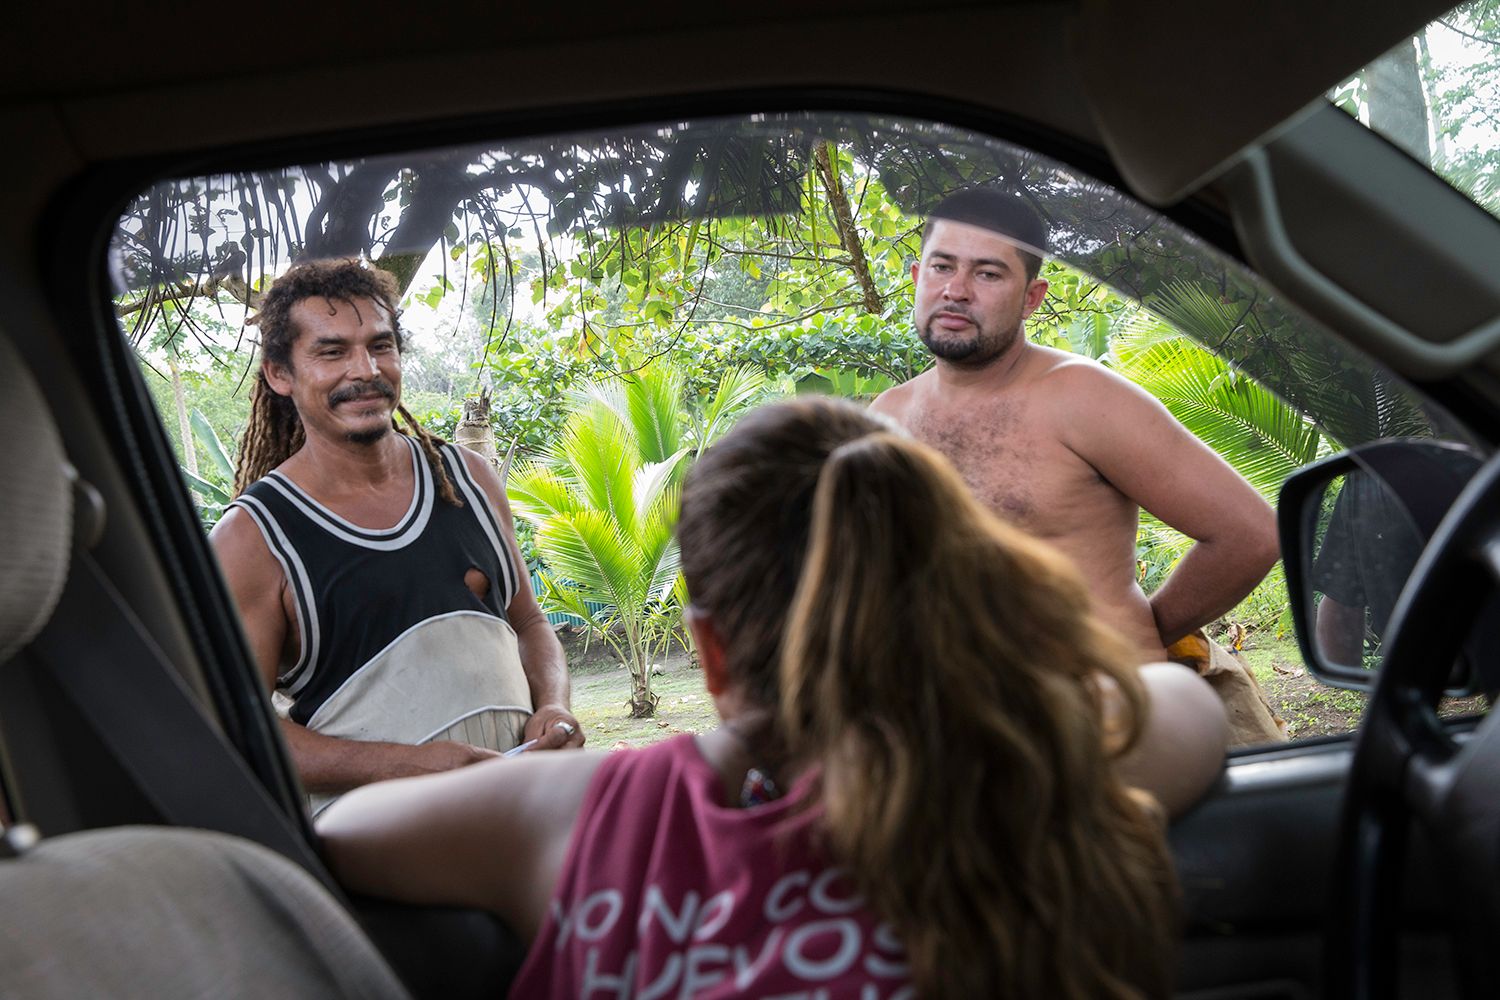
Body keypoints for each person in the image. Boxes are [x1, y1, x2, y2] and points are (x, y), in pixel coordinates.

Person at [318, 397, 1229, 999]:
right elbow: (1186, 709)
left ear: (710, 652)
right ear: (960, 595)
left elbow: (340, 837)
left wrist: (711, 757)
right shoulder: (1038, 775)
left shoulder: (579, 820)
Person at [211, 257, 582, 813]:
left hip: (522, 801)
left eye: (380, 346)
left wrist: (553, 706)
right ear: (279, 374)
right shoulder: (253, 538)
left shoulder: (468, 480)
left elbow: (528, 623)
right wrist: (412, 764)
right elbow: (242, 729)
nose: (365, 369)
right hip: (376, 838)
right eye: (331, 352)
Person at [869, 188, 1280, 664]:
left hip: (1099, 710)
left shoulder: (1081, 397)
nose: (957, 290)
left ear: (1031, 298)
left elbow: (1250, 534)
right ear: (918, 277)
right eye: (942, 267)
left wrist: (1132, 638)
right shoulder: (888, 416)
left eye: (987, 273)